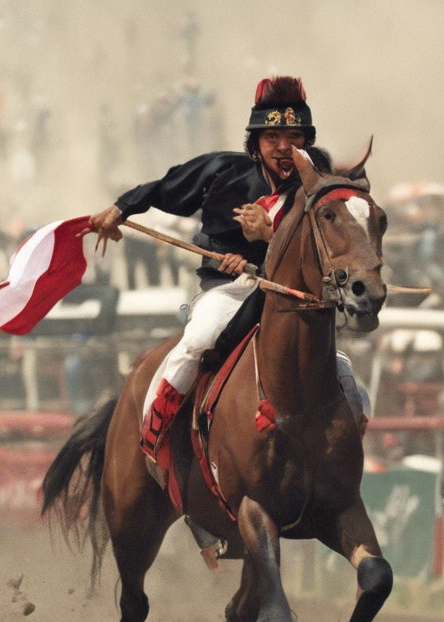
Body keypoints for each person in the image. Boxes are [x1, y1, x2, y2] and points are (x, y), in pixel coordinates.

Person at [86, 76, 368, 557]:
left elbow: (333, 242)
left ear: (307, 143)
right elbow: (164, 188)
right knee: (197, 341)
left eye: (294, 139)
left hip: (289, 300)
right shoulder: (224, 171)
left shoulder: (318, 189)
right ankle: (154, 439)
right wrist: (120, 208)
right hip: (228, 290)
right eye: (273, 139)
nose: (284, 148)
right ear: (256, 143)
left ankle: (334, 470)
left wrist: (267, 242)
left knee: (349, 382)